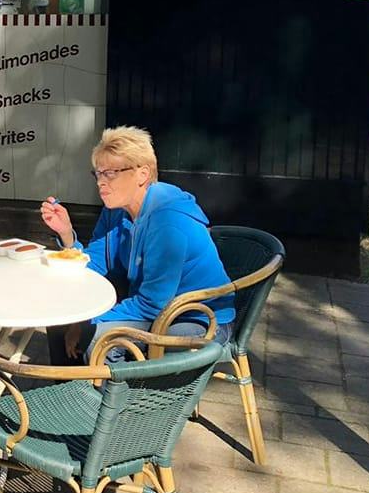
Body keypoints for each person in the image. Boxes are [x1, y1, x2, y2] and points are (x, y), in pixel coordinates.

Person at [40, 125, 232, 364]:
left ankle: (123, 401)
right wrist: (67, 234)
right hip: (158, 310)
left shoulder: (167, 222)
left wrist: (88, 320)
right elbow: (94, 267)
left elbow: (152, 304)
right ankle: (74, 394)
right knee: (60, 321)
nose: (101, 182)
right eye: (98, 173)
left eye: (110, 173)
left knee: (101, 339)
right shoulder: (116, 211)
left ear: (142, 174)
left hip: (199, 322)